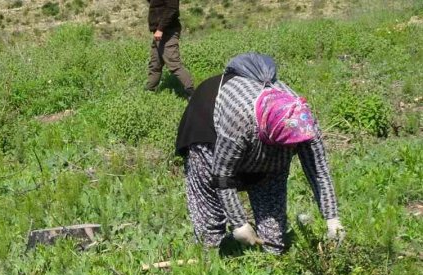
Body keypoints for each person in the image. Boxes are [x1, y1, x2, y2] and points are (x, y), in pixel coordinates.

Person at [175, 53, 344, 254]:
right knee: (210, 224)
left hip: (264, 153)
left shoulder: (303, 121)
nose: (289, 151)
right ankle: (208, 260)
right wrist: (239, 224)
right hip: (208, 132)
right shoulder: (239, 121)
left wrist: (332, 218)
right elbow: (221, 175)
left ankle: (271, 263)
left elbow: (319, 172)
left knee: (274, 239)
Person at [146, 0, 193, 96]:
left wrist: (160, 29)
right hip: (159, 32)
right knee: (155, 64)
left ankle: (192, 93)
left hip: (167, 31)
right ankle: (149, 92)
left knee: (174, 64)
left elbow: (172, 8)